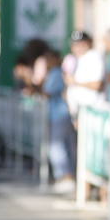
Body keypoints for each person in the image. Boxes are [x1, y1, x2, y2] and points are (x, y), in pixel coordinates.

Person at [36, 48, 76, 194]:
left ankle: (66, 176)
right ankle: (68, 176)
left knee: (57, 146)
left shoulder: (56, 73)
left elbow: (46, 92)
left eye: (48, 59)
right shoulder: (57, 73)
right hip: (61, 114)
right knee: (66, 146)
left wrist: (35, 83)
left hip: (60, 115)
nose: (46, 62)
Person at [66, 30, 104, 122]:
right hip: (82, 112)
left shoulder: (94, 57)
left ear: (89, 43)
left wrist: (75, 82)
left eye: (81, 44)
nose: (78, 48)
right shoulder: (78, 59)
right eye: (75, 45)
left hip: (94, 111)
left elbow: (97, 85)